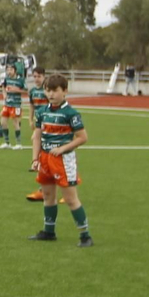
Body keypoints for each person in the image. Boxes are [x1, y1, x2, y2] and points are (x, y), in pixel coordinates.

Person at [27, 73, 94, 248]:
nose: (51, 94)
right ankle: (49, 232)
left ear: (65, 91)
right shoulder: (42, 112)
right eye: (48, 90)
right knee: (48, 196)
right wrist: (35, 159)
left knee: (70, 199)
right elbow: (37, 136)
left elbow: (82, 137)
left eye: (55, 90)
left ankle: (85, 235)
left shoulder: (71, 113)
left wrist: (62, 149)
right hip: (45, 159)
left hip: (63, 160)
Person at [23, 66, 52, 201]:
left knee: (54, 158)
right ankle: (42, 189)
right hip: (40, 124)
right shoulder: (33, 91)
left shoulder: (48, 90)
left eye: (39, 76)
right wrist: (30, 119)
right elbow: (31, 106)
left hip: (50, 125)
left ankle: (66, 191)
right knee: (42, 154)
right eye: (34, 76)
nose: (36, 79)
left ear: (44, 76)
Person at [0, 55, 25, 149]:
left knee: (15, 123)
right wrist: (4, 94)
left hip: (16, 105)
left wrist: (16, 90)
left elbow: (25, 91)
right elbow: (3, 87)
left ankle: (18, 143)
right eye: (7, 70)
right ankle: (7, 142)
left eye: (11, 69)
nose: (9, 71)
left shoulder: (20, 80)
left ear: (15, 70)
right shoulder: (7, 79)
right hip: (7, 104)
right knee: (3, 122)